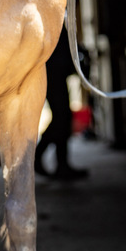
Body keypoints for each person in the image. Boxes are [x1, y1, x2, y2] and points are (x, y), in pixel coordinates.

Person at [35, 22, 89, 181]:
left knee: (63, 118)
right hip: (52, 72)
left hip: (57, 70)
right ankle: (38, 157)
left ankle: (61, 164)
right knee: (61, 118)